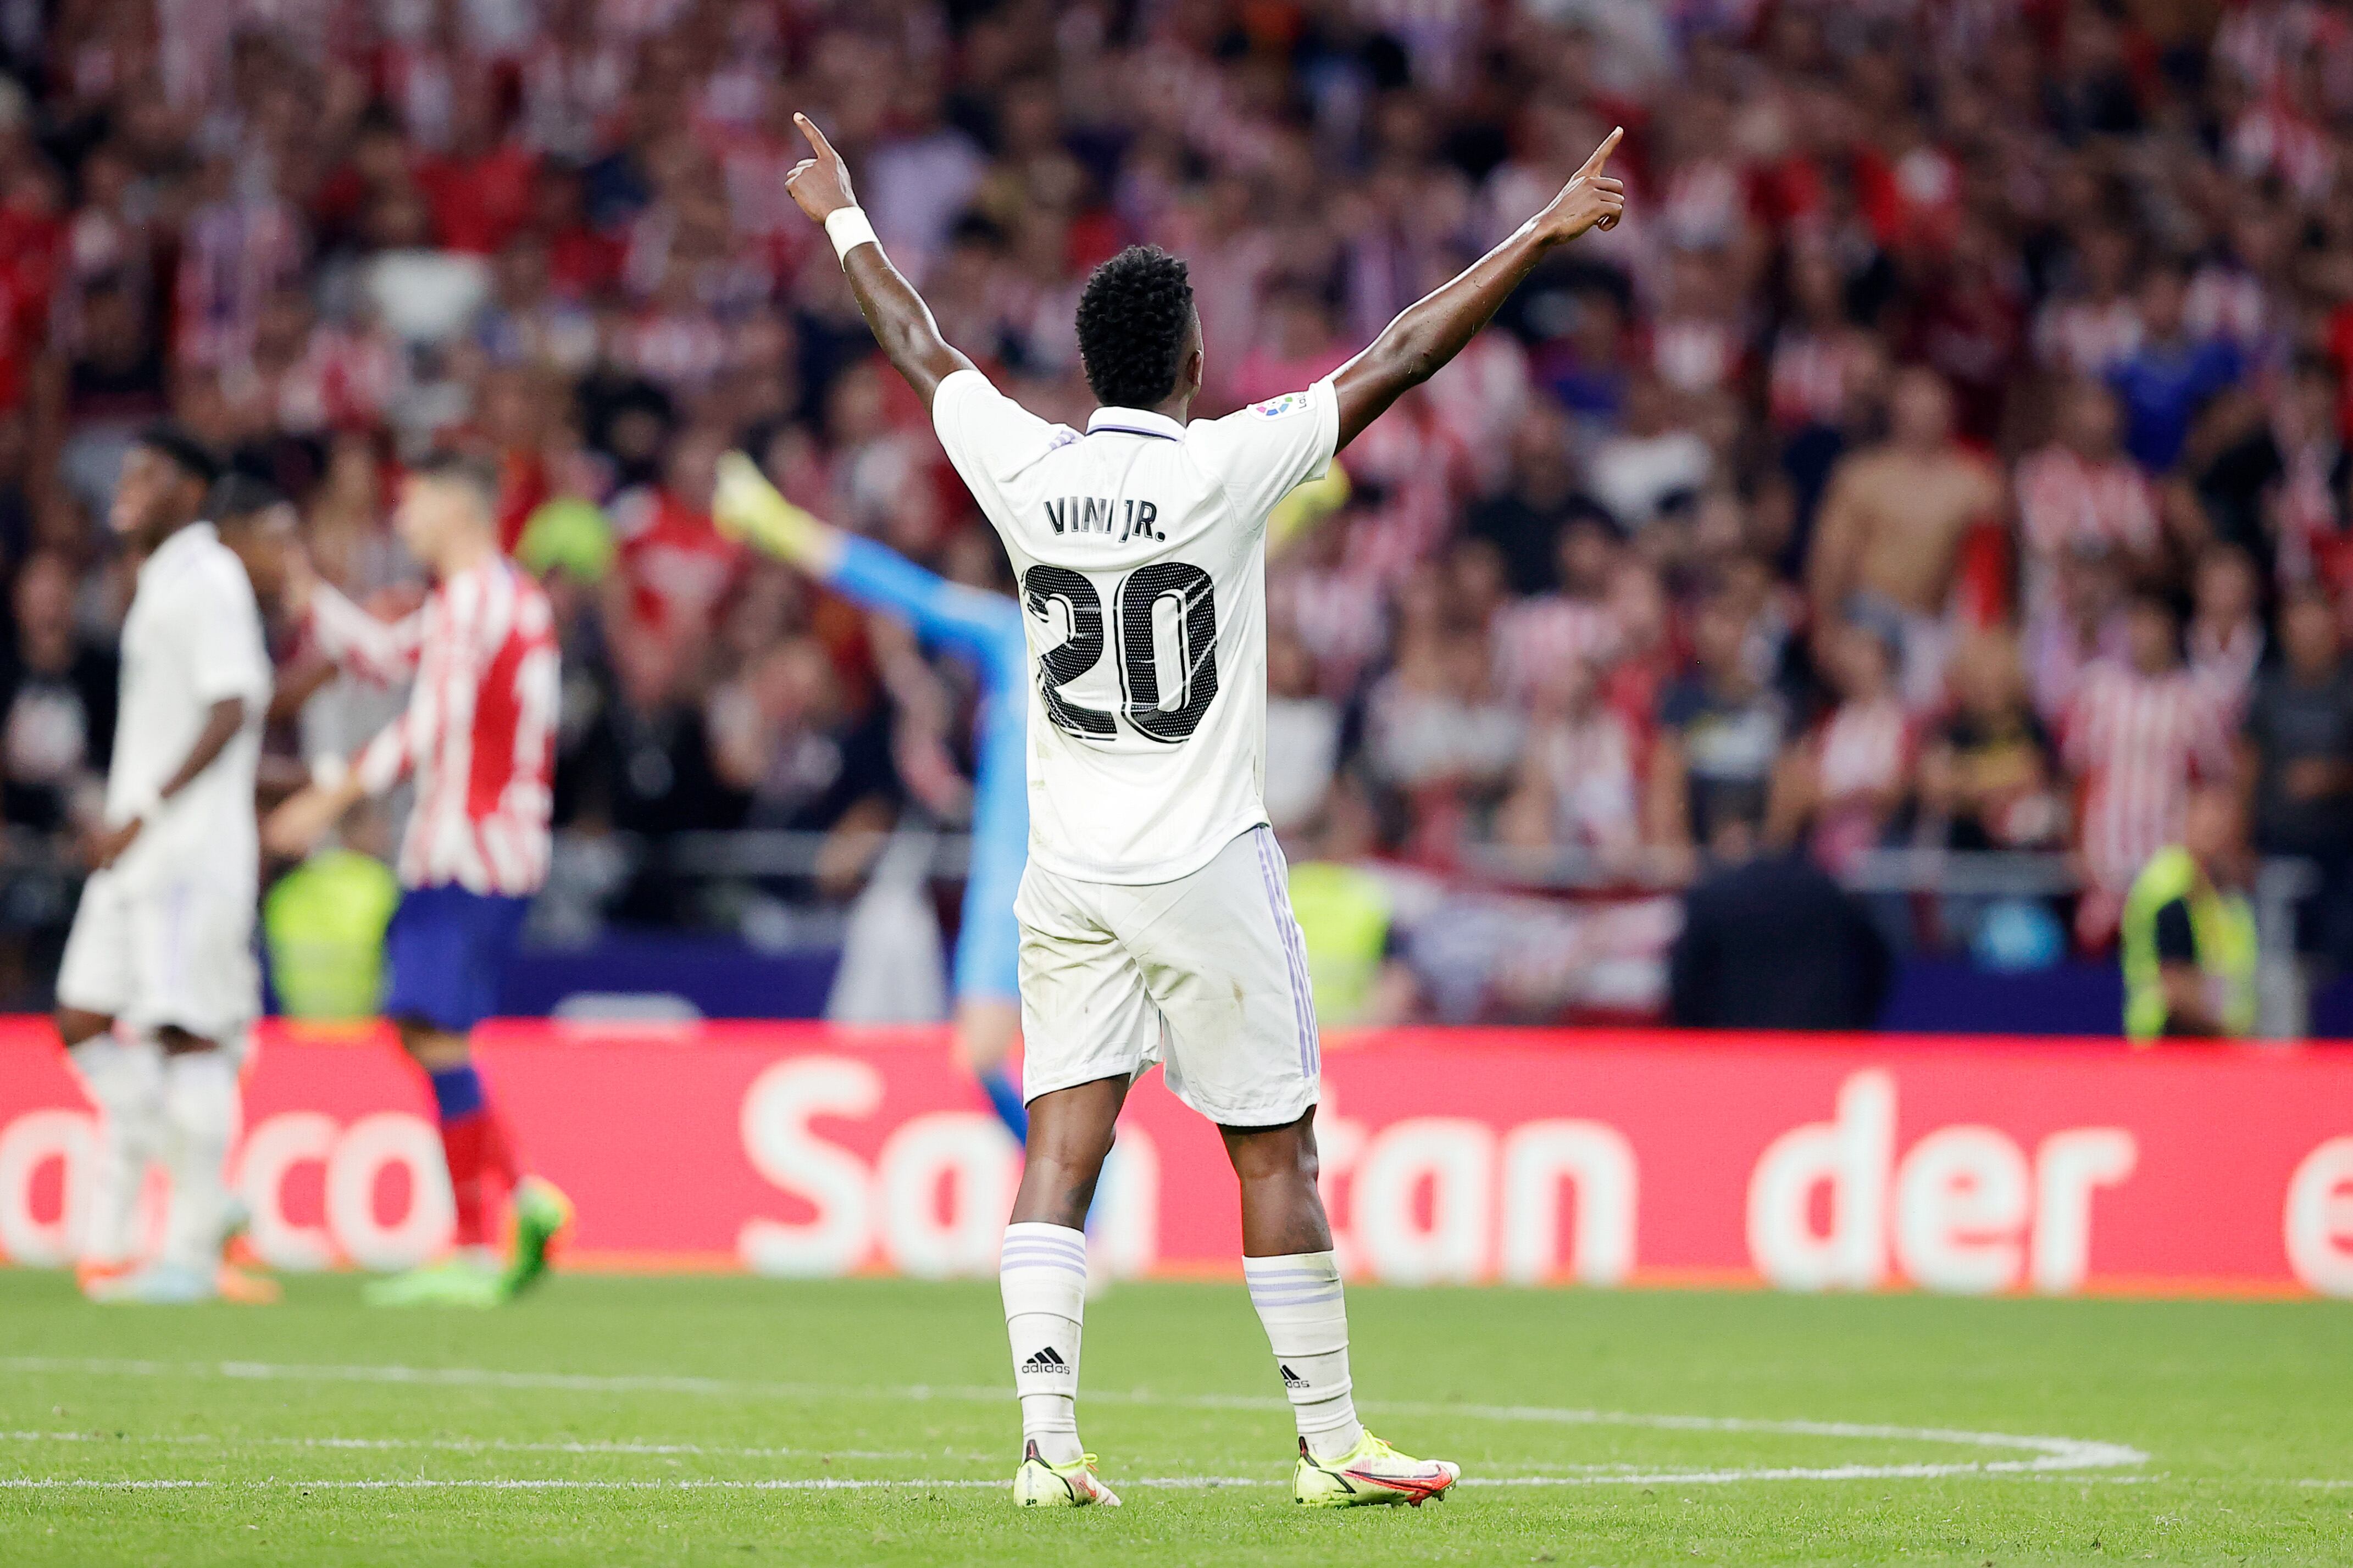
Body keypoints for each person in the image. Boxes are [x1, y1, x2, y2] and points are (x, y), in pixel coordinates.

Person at [778, 109, 1624, 1508]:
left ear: (1084, 362)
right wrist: (1534, 235)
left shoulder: (1021, 463)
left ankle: (1047, 1446)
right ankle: (1332, 1441)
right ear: (1192, 363)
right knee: (1272, 1147)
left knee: (1061, 1143)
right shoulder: (1224, 463)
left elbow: (914, 341)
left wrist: (839, 215)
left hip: (1068, 872)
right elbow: (1400, 354)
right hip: (1202, 862)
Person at [262, 451, 571, 1308]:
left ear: (453, 504)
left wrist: (324, 803)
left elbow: (431, 722)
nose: (401, 519)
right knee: (426, 1028)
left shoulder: (475, 600)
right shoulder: (500, 598)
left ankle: (480, 1240)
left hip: (466, 850)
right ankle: (520, 1198)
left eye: (412, 502)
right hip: (494, 850)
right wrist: (310, 597)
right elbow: (389, 653)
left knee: (431, 1028)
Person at [710, 453, 1033, 1147]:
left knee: (1104, 1065)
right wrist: (785, 531)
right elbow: (900, 590)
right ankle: (1090, 1213)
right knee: (982, 1059)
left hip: (1094, 879)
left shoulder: (1126, 636)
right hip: (1010, 885)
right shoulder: (1011, 635)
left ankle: (1097, 1213)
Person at [54, 427, 274, 1304]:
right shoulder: (161, 578)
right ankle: (210, 1196)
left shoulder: (210, 574)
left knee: (188, 1036)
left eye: (147, 473)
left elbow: (234, 704)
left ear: (191, 488)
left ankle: (187, 1254)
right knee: (80, 1016)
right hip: (137, 853)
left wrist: (141, 812)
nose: (127, 485)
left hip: (184, 852)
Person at [1806, 368, 2004, 709]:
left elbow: (1992, 572)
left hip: (1936, 624)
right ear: (1895, 412)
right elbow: (1830, 559)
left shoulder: (1975, 482)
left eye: (1932, 410)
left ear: (1950, 414)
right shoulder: (1862, 476)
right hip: (1870, 617)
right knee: (1866, 661)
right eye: (1913, 409)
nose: (1921, 420)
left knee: (1987, 668)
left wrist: (1981, 634)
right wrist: (1825, 629)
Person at [2119, 784, 2257, 1039]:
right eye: (2208, 825)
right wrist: (2228, 1036)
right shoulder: (2171, 889)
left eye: (2225, 824)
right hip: (2172, 1040)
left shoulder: (2221, 890)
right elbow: (2176, 988)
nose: (2218, 833)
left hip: (2214, 1042)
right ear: (2186, 824)